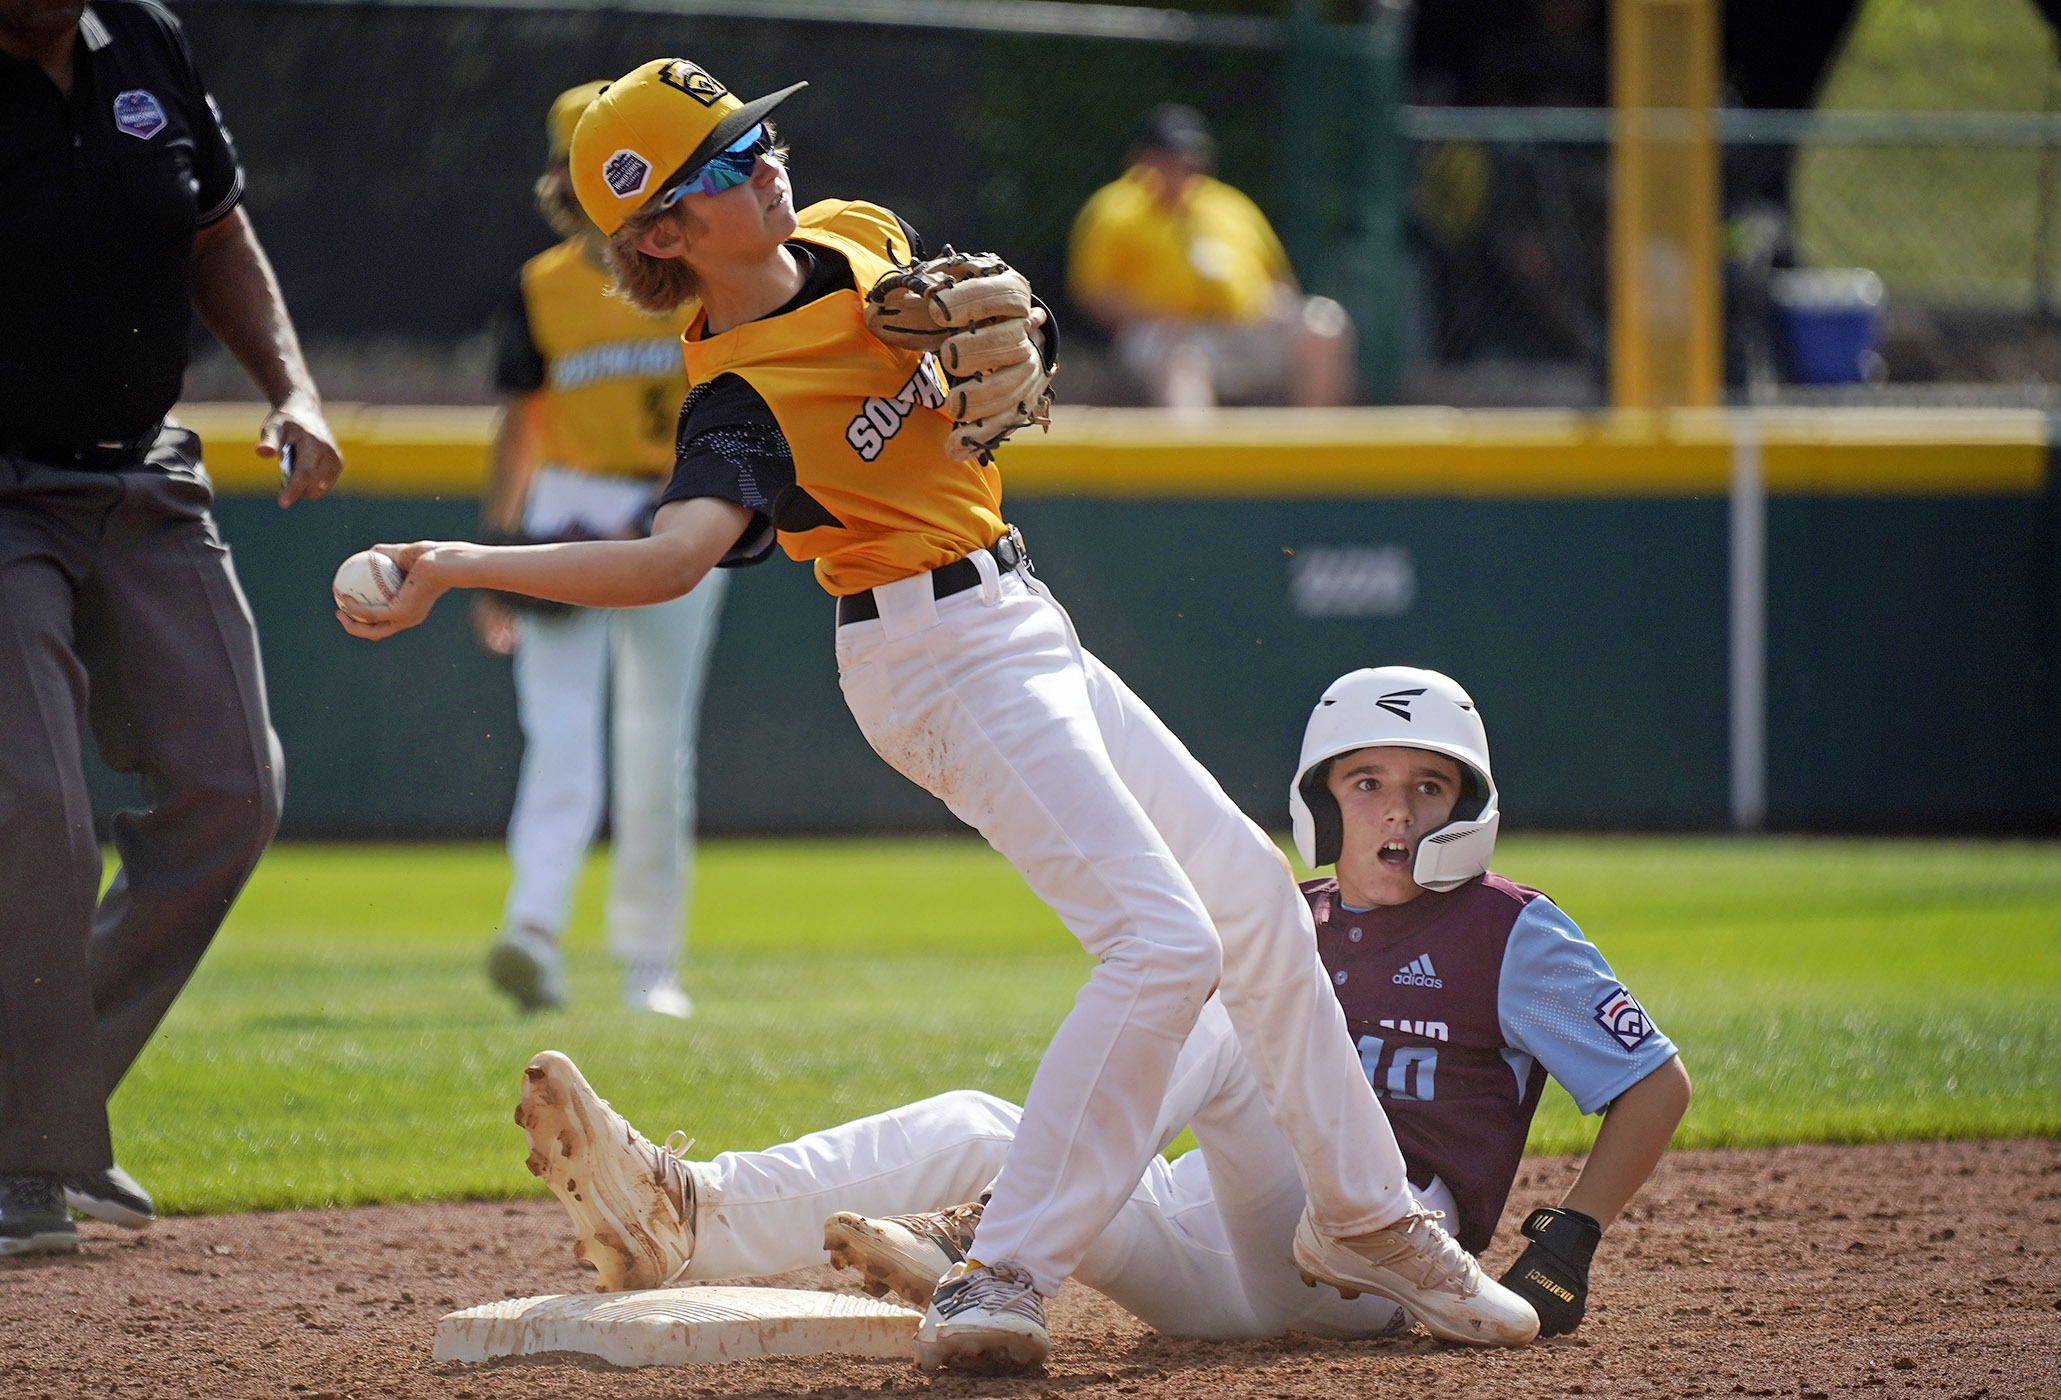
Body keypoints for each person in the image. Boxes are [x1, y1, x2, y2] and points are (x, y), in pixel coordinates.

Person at [336, 58, 1534, 1370]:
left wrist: (1028, 345)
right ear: (663, 232)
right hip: (927, 656)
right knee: (1162, 945)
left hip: (1021, 614)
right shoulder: (734, 395)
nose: (764, 160)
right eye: (725, 163)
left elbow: (1000, 346)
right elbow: (672, 558)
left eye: (758, 134)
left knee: (1251, 894)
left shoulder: (858, 237)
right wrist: (464, 562)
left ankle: (1366, 1218)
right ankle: (1000, 1275)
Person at [509, 666, 1689, 1345]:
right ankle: (688, 1212)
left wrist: (1573, 1229)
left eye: (1426, 788)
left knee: (1216, 1004)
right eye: (1366, 783)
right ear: (1323, 802)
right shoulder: (1296, 906)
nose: (1395, 809)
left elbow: (1653, 1083)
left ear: (1466, 807)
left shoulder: (1507, 925)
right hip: (1209, 1257)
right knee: (984, 1118)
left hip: (1372, 1267)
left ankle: (992, 1230)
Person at [0, 0, 343, 1255]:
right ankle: (28, 1152)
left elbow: (216, 227)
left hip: (141, 475)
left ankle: (27, 1109)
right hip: (4, 492)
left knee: (230, 791)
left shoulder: (141, 38)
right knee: (34, 805)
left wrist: (291, 385)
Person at [476, 82, 730, 1018]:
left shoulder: (697, 274)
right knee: (560, 731)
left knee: (655, 739)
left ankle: (648, 964)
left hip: (682, 503)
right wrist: (496, 557)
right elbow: (519, 428)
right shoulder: (542, 286)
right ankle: (533, 932)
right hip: (568, 507)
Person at [1067, 103, 1353, 409]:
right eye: (1169, 156)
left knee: (1322, 323)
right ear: (1140, 158)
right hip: (1160, 335)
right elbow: (1092, 292)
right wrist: (1156, 315)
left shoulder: (1230, 204)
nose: (1181, 166)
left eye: (1188, 157)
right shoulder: (1114, 208)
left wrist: (1273, 303)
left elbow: (1278, 280)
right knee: (1180, 356)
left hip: (1242, 332)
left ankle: (1311, 449)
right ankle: (1195, 454)